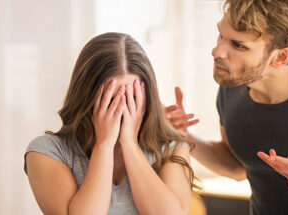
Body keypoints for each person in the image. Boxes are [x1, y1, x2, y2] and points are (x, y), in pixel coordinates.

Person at [165, 0, 288, 214]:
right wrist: (182, 135)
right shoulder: (233, 87)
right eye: (221, 35)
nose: (217, 51)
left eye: (238, 45)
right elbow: (236, 168)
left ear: (281, 57)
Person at [24, 32, 195, 215]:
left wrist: (130, 145)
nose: (122, 109)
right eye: (111, 99)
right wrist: (104, 146)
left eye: (132, 98)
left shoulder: (171, 148)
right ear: (87, 96)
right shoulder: (47, 151)